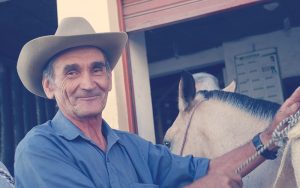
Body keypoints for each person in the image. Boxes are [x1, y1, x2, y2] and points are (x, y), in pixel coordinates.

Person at [14, 17, 300, 188]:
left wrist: (270, 135)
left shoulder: (131, 147)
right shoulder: (38, 149)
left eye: (97, 69)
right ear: (49, 86)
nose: (88, 83)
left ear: (109, 78)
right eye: (72, 72)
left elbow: (208, 170)